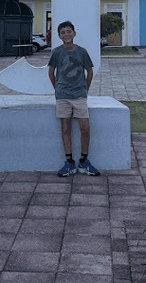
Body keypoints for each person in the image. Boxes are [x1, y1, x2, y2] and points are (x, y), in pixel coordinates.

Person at [48, 21, 99, 177]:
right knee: (65, 127)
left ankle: (84, 161)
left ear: (74, 33)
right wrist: (58, 89)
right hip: (63, 96)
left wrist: (85, 89)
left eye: (69, 31)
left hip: (79, 96)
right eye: (63, 32)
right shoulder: (57, 52)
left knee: (85, 127)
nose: (66, 34)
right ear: (59, 36)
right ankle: (69, 162)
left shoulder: (82, 52)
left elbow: (89, 71)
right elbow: (51, 73)